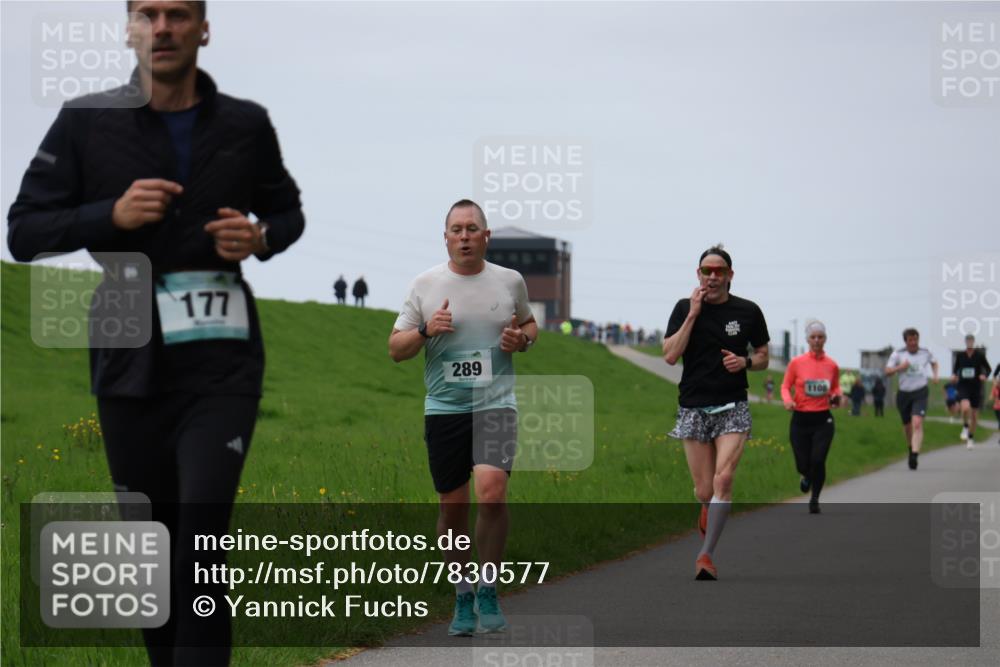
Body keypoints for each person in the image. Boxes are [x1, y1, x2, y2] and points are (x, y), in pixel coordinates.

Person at [7, 2, 304, 665]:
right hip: (126, 354)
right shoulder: (86, 121)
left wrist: (260, 237)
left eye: (178, 13)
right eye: (147, 13)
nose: (162, 27)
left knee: (201, 542)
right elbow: (23, 231)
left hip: (222, 360)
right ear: (128, 29)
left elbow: (287, 212)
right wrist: (108, 215)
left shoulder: (245, 123)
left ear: (204, 29)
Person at [388, 199, 537, 635]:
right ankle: (462, 594)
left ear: (486, 236)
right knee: (452, 510)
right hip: (445, 409)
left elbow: (530, 326)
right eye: (457, 229)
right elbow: (395, 349)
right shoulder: (425, 285)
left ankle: (488, 588)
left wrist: (521, 341)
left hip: (495, 404)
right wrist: (425, 330)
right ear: (446, 238)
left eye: (473, 228)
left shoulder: (509, 281)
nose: (465, 236)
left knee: (492, 494)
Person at [662, 244, 769, 580]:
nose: (712, 276)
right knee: (704, 491)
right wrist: (693, 314)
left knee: (724, 479)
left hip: (732, 405)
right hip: (693, 406)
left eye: (719, 271)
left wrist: (745, 362)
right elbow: (670, 355)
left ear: (729, 275)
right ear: (698, 274)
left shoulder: (748, 311)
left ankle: (705, 555)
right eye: (706, 271)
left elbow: (764, 355)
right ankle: (707, 508)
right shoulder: (684, 308)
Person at [781, 320, 842, 514]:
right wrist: (788, 400)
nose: (817, 340)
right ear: (808, 340)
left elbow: (836, 387)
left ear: (825, 339)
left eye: (820, 337)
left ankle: (815, 498)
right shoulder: (796, 363)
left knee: (818, 460)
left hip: (823, 420)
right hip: (800, 420)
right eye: (813, 337)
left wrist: (837, 396)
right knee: (802, 464)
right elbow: (785, 386)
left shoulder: (832, 365)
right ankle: (806, 475)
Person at [885, 328, 939, 470]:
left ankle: (915, 454)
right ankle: (910, 448)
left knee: (917, 422)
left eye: (916, 339)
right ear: (906, 341)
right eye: (910, 340)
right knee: (907, 426)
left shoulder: (925, 352)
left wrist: (935, 375)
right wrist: (900, 367)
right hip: (904, 393)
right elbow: (887, 371)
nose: (914, 343)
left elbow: (934, 363)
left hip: (920, 391)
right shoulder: (898, 354)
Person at [951, 334, 992, 449]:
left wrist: (984, 375)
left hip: (976, 386)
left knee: (974, 416)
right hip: (963, 385)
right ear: (965, 342)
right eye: (968, 341)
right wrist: (954, 376)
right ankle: (965, 426)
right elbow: (955, 370)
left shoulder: (979, 355)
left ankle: (970, 437)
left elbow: (988, 368)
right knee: (965, 407)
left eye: (971, 341)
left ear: (973, 342)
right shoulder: (960, 356)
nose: (969, 342)